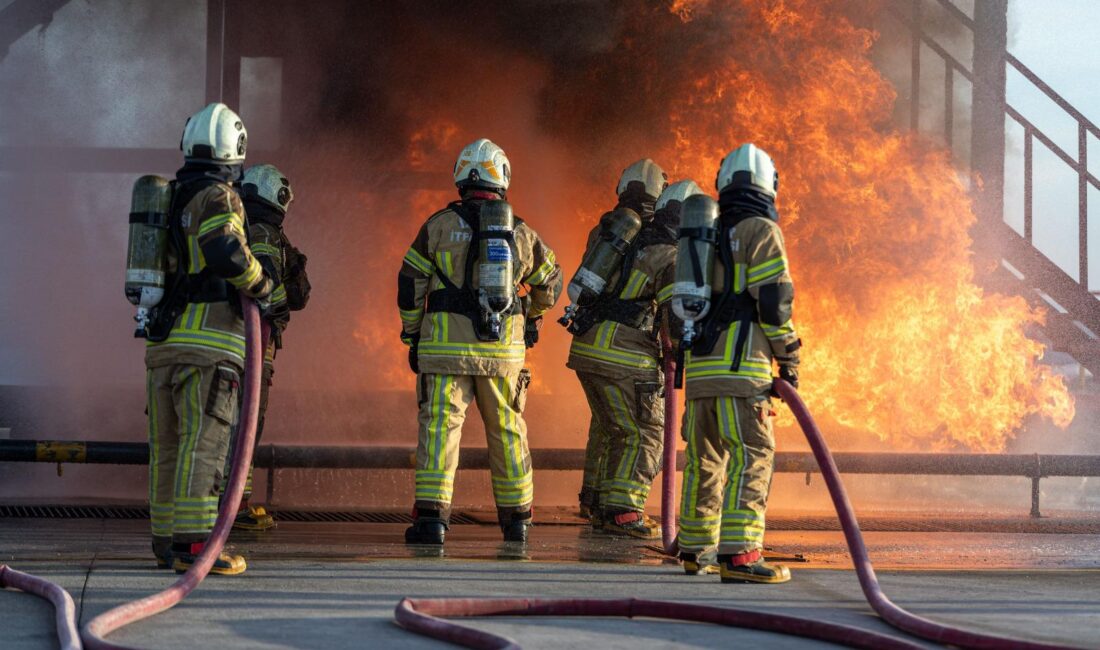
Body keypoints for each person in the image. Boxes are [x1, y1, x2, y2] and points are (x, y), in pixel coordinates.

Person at [397, 138, 562, 545]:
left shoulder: (436, 225)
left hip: (444, 350)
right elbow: (551, 283)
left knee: (439, 430)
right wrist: (533, 316)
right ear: (502, 178)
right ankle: (517, 520)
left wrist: (412, 332)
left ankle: (432, 521)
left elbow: (409, 283)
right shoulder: (521, 232)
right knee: (507, 429)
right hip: (501, 352)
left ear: (461, 177)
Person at [144, 103, 275, 575]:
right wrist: (262, 284)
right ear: (236, 148)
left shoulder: (168, 197)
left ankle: (166, 542)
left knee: (167, 447)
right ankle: (197, 547)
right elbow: (224, 249)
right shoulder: (220, 196)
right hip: (210, 345)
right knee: (205, 443)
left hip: (161, 344)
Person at [676, 143, 801, 583]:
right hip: (742, 368)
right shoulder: (760, 230)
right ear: (769, 184)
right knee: (753, 455)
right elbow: (773, 303)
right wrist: (789, 355)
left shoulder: (703, 234)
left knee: (703, 460)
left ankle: (694, 548)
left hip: (701, 372)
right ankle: (741, 555)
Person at [565, 161, 694, 539]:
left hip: (587, 344)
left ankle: (598, 502)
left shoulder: (611, 234)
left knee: (610, 427)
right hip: (625, 355)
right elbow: (674, 318)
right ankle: (623, 511)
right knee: (643, 432)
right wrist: (686, 352)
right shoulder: (669, 254)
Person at [225, 163, 311, 531]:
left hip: (241, 346)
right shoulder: (262, 232)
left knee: (240, 427)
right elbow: (269, 288)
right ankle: (233, 509)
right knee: (243, 428)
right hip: (251, 349)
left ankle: (233, 504)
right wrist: (283, 300)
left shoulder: (240, 227)